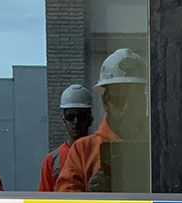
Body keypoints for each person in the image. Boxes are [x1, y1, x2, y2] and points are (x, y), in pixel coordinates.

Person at [55, 49, 148, 192]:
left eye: (133, 98)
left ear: (143, 100)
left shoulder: (159, 146)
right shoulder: (83, 150)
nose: (127, 106)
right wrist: (91, 196)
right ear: (105, 100)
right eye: (119, 97)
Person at [39, 85, 94, 191]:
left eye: (81, 116)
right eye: (70, 117)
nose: (76, 122)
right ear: (64, 121)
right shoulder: (52, 161)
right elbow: (45, 200)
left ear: (90, 120)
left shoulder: (98, 152)